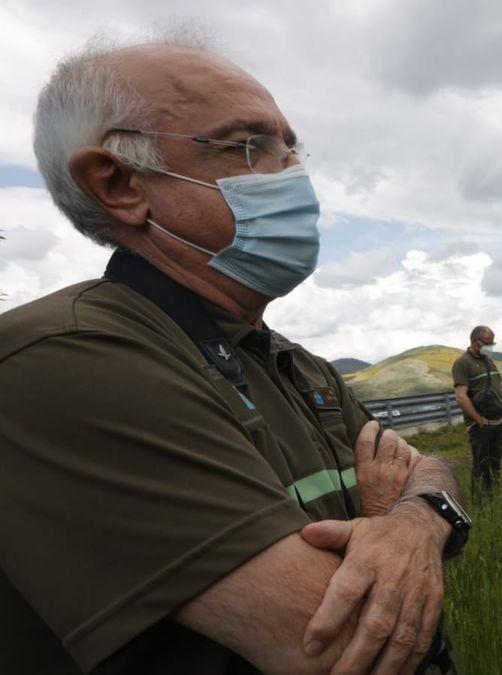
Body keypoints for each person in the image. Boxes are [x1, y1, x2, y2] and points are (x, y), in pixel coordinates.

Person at [0, 33, 467, 674]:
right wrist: (384, 510)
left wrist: (414, 522)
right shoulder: (66, 358)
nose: (294, 173)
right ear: (119, 184)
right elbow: (344, 646)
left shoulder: (293, 365)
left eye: (291, 147)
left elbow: (430, 467)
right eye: (249, 146)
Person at [451, 326, 502, 498]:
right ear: (475, 342)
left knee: (495, 463)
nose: (490, 347)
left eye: (492, 343)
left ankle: (494, 498)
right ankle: (480, 503)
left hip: (499, 421)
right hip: (480, 425)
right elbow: (461, 396)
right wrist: (478, 420)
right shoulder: (463, 363)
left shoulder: (488, 360)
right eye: (487, 343)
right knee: (481, 466)